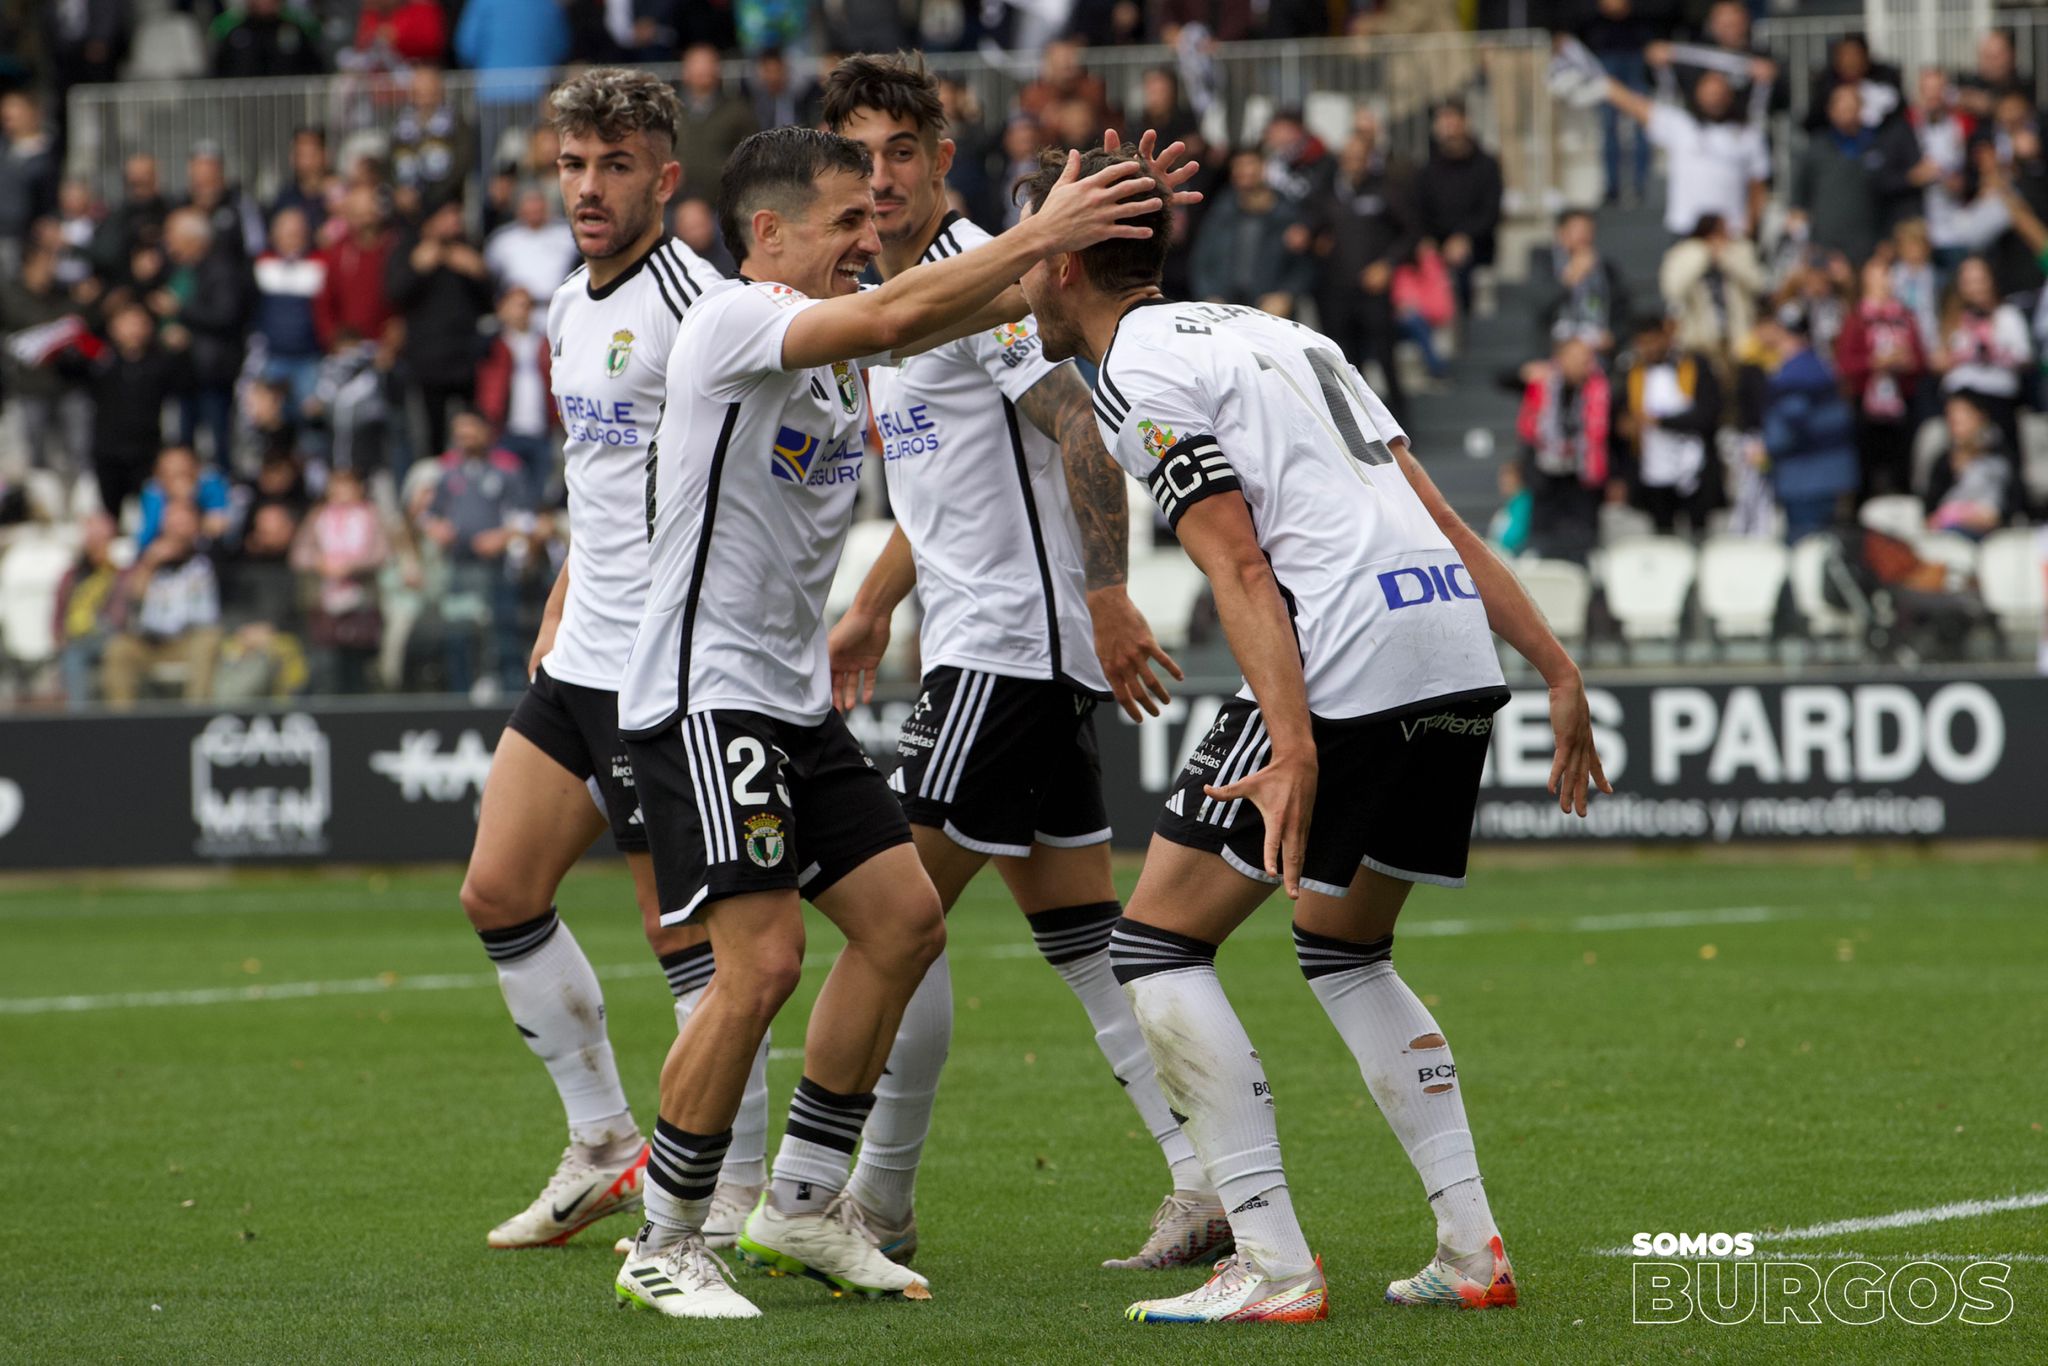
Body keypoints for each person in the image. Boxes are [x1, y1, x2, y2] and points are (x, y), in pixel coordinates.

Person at [1017, 140, 1608, 1326]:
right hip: (1446, 645)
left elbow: (1234, 558)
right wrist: (1550, 662)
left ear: (1068, 256)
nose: (1014, 267)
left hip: (1342, 652)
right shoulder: (1278, 330)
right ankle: (1468, 1245)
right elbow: (1431, 509)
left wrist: (1288, 746)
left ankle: (1273, 1263)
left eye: (1026, 240)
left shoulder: (1127, 370)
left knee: (1155, 948)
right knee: (1344, 947)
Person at [610, 123, 1175, 1319]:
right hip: (706, 697)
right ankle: (665, 1238)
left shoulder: (838, 343)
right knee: (759, 966)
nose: (870, 238)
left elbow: (993, 315)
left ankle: (809, 1203)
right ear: (769, 235)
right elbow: (887, 320)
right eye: (844, 222)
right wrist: (1037, 235)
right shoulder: (731, 319)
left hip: (789, 702)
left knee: (905, 921)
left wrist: (1099, 224)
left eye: (877, 219)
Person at [820, 52, 1222, 1273]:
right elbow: (949, 491)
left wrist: (1108, 595)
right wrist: (875, 602)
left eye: (902, 152)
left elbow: (1083, 431)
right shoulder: (908, 293)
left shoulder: (968, 277)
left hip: (1007, 658)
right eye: (860, 156)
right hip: (1010, 654)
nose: (881, 178)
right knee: (1092, 946)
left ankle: (857, 1197)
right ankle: (1205, 1178)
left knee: (886, 921)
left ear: (943, 160)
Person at [449, 69, 771, 1255]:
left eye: (615, 164)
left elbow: (740, 473)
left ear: (664, 177)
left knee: (691, 940)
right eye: (573, 163)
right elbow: (600, 483)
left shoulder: (702, 302)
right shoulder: (562, 306)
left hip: (665, 666)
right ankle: (601, 1144)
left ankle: (729, 1185)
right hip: (579, 651)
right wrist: (561, 595)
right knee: (497, 891)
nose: (589, 186)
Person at [1312, 122, 1418, 423]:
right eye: (1348, 156)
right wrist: (1309, 237)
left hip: (1374, 292)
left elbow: (1411, 233)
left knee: (1386, 360)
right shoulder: (1328, 191)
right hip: (1336, 291)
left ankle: (1402, 427)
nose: (1354, 162)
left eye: (1360, 156)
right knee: (1344, 364)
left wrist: (1388, 264)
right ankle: (1357, 429)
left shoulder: (1386, 189)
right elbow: (1312, 224)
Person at [1603, 60, 1770, 240]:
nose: (1714, 98)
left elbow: (1758, 185)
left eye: (1719, 93)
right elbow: (1632, 104)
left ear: (1729, 96)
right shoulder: (1681, 125)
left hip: (1731, 233)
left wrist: (1750, 226)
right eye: (1709, 93)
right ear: (1697, 93)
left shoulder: (1748, 135)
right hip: (1686, 229)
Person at [387, 190, 492, 461]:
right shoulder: (411, 248)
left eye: (457, 214)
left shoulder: (469, 249)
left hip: (465, 360)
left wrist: (478, 273)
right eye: (448, 215)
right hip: (426, 363)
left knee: (470, 429)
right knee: (428, 437)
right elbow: (394, 294)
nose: (455, 221)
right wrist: (418, 268)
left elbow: (490, 302)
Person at [101, 499, 225, 706]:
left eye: (182, 521)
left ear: (196, 524)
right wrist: (150, 563)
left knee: (208, 640)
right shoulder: (150, 558)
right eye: (171, 520)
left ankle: (194, 718)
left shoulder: (210, 555)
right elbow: (132, 595)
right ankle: (121, 725)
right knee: (119, 648)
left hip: (191, 639)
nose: (176, 528)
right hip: (154, 642)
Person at [1760, 306, 1859, 542]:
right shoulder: (1823, 368)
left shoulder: (1789, 377)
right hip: (1834, 476)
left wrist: (1764, 450)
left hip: (1803, 480)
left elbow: (1785, 433)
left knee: (1804, 553)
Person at [1834, 257, 1929, 500]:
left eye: (1887, 276)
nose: (1884, 282)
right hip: (1865, 402)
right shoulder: (1856, 319)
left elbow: (1921, 359)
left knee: (1903, 465)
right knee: (1866, 467)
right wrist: (1874, 362)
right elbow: (1844, 364)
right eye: (1877, 277)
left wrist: (1906, 362)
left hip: (1902, 400)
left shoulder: (1905, 317)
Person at [88, 304, 193, 520]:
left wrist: (182, 352)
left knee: (151, 514)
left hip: (146, 451)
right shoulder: (102, 359)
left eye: (140, 323)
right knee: (108, 514)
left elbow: (185, 384)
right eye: (127, 323)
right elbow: (69, 369)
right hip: (108, 451)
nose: (134, 329)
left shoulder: (160, 361)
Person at [1617, 318, 1721, 533]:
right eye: (1643, 343)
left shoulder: (1694, 366)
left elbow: (1708, 415)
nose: (1649, 349)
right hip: (1653, 470)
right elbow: (1621, 420)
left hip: (1694, 467)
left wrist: (1661, 421)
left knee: (1698, 531)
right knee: (1662, 534)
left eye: (1653, 341)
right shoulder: (1631, 373)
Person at [1791, 83, 1911, 268]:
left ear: (1861, 109)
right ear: (1831, 111)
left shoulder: (1877, 146)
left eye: (1852, 107)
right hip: (1824, 248)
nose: (1847, 112)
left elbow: (1888, 197)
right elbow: (1799, 199)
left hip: (1867, 248)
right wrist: (1803, 241)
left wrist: (1886, 239)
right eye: (1842, 107)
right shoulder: (1816, 148)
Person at [1516, 336, 1611, 562]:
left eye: (1587, 359)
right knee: (1543, 540)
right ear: (1561, 359)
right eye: (1576, 358)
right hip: (1547, 475)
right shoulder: (1543, 384)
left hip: (1582, 477)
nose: (1583, 364)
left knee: (1581, 542)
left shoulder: (1600, 388)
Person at [291, 466, 386, 692]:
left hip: (362, 600)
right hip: (325, 601)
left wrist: (352, 565)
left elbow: (383, 552)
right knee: (327, 662)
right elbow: (299, 554)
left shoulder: (371, 515)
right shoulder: (318, 516)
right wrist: (321, 563)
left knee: (360, 663)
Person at [1188, 148, 1312, 318]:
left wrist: (1286, 295)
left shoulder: (1288, 213)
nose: (1244, 171)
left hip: (1270, 309)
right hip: (1225, 308)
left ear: (1264, 168)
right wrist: (1209, 295)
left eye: (1249, 164)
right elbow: (1202, 257)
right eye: (1238, 166)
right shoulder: (1221, 211)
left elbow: (1305, 263)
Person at [1934, 254, 2032, 461]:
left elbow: (2025, 357)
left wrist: (1993, 351)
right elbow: (1938, 361)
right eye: (1969, 282)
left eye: (1979, 280)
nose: (1975, 288)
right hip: (1961, 398)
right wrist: (1960, 356)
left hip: (1998, 398)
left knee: (2002, 455)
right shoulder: (1953, 318)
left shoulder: (2007, 315)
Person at [1416, 98, 1502, 321]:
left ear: (1465, 122)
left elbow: (1490, 211)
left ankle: (1467, 332)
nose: (1448, 127)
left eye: (1452, 119)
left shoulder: (1486, 165)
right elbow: (1421, 211)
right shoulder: (1428, 169)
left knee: (1462, 266)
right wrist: (1430, 241)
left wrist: (1464, 236)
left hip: (1476, 245)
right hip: (1438, 245)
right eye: (1442, 120)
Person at [1659, 212, 1764, 363]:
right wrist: (1704, 256)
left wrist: (1725, 258)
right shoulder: (1683, 254)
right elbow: (1674, 290)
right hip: (1698, 340)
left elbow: (1758, 284)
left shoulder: (1739, 250)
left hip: (1739, 338)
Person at [474, 286, 555, 481]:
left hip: (540, 430)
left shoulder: (545, 343)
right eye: (516, 305)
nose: (522, 311)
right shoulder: (492, 343)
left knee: (540, 492)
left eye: (527, 306)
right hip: (504, 431)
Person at [253, 207, 327, 414]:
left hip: (311, 359)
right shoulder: (262, 264)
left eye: (298, 232)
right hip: (272, 358)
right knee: (272, 423)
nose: (293, 238)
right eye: (287, 232)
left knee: (312, 424)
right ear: (274, 235)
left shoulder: (320, 263)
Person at [1540, 207, 1631, 356]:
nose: (1584, 237)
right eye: (1577, 230)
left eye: (1588, 231)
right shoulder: (1544, 264)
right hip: (1555, 349)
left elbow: (1623, 310)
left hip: (1596, 347)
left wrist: (1613, 336)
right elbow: (1539, 307)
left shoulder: (1607, 270)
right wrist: (1570, 279)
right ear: (1561, 233)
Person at [1925, 394, 2016, 538]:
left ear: (1981, 417)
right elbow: (1930, 505)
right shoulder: (1944, 460)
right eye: (1951, 415)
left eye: (1963, 413)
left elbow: (2012, 503)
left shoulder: (2001, 456)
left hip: (1992, 532)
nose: (1956, 420)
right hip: (1947, 531)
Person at [676, 42, 758, 200]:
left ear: (718, 69)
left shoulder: (738, 110)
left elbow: (753, 156)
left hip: (723, 201)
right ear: (685, 71)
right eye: (697, 63)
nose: (703, 69)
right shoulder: (671, 111)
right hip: (679, 203)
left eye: (708, 63)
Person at [485, 187, 579, 302]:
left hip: (561, 302)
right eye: (529, 205)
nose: (534, 211)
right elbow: (490, 277)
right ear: (519, 208)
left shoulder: (568, 234)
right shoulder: (502, 239)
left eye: (538, 205)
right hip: (518, 310)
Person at [209, 0, 326, 80]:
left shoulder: (294, 30)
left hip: (291, 106)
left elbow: (314, 66)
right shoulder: (235, 32)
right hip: (243, 106)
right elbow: (219, 68)